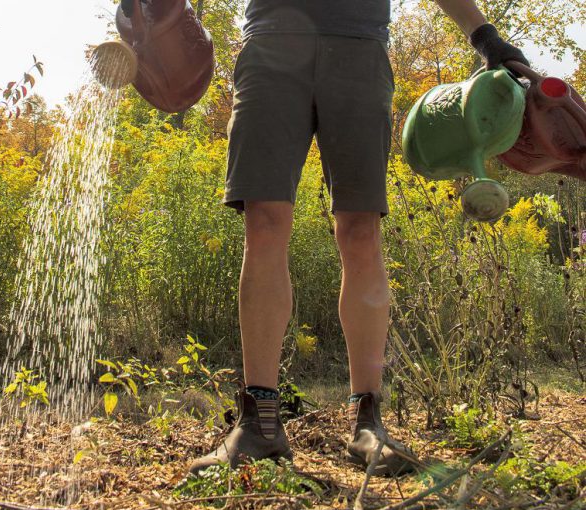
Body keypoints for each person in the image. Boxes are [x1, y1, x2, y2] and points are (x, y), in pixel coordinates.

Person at [189, 0, 529, 477]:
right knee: (263, 220)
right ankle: (260, 422)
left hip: (359, 49)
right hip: (269, 46)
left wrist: (484, 35)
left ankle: (368, 420)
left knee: (360, 228)